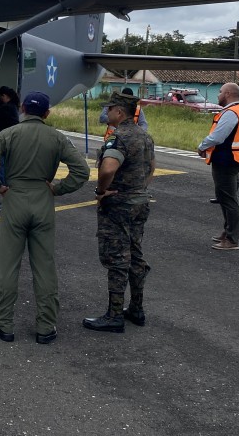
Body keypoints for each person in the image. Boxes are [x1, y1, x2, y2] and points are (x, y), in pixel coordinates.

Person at [0, 91, 90, 344]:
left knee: (7, 266)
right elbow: (82, 170)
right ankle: (46, 327)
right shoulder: (58, 138)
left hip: (14, 199)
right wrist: (59, 188)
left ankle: (3, 323)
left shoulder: (8, 134)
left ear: (23, 109)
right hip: (43, 201)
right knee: (45, 267)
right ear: (47, 113)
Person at [84, 91, 156, 333]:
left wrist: (101, 190)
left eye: (110, 108)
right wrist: (140, 188)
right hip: (139, 202)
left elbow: (107, 169)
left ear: (119, 112)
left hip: (119, 206)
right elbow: (151, 166)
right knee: (135, 255)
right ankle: (136, 308)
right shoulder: (144, 136)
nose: (107, 112)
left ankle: (114, 314)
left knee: (117, 258)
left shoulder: (120, 138)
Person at [198, 82, 239, 251]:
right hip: (233, 159)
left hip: (226, 160)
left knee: (228, 199)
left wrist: (202, 145)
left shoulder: (230, 113)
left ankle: (232, 239)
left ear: (227, 94)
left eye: (220, 92)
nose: (218, 95)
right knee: (226, 197)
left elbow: (218, 136)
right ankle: (228, 233)